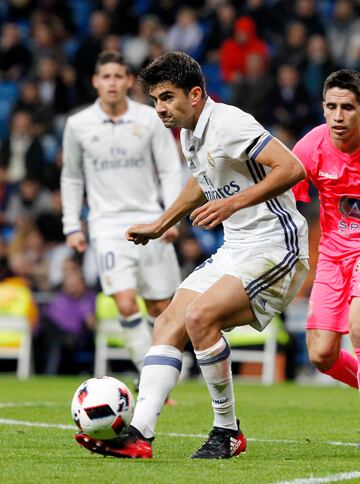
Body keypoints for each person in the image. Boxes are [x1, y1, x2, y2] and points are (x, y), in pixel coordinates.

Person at [75, 51, 309, 459]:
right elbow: (201, 182)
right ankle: (139, 434)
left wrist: (233, 205)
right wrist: (161, 223)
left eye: (167, 97)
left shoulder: (229, 123)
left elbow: (290, 168)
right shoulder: (189, 132)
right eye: (155, 101)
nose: (160, 108)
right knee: (168, 319)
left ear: (196, 94)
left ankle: (227, 431)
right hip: (237, 248)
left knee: (200, 317)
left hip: (276, 246)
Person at [61, 50, 182, 381]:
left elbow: (171, 168)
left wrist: (170, 218)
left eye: (119, 76)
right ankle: (151, 377)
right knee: (126, 303)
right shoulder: (78, 125)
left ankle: (169, 371)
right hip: (107, 225)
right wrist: (73, 226)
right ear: (96, 82)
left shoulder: (149, 119)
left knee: (161, 309)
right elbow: (71, 177)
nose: (112, 82)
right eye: (106, 77)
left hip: (150, 219)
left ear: (129, 81)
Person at [291, 70, 360, 389]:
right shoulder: (310, 147)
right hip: (333, 256)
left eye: (347, 107)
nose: (338, 116)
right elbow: (282, 197)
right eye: (331, 107)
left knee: (359, 326)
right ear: (322, 108)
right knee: (321, 354)